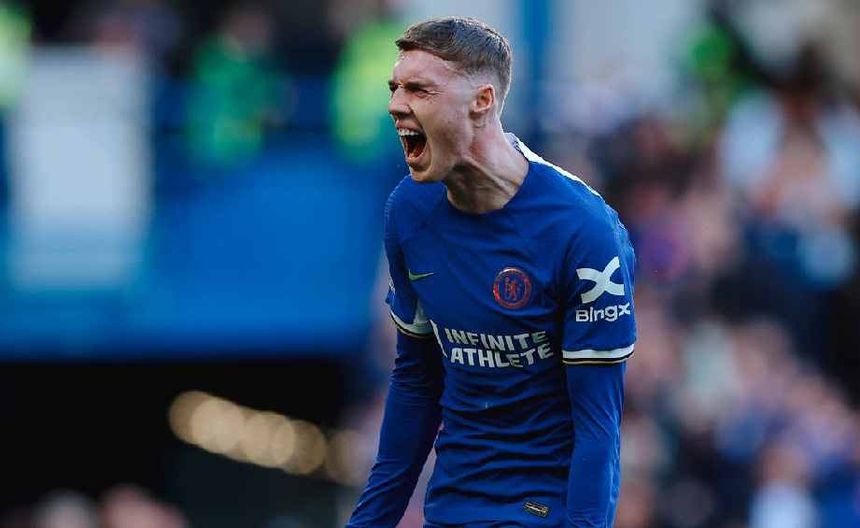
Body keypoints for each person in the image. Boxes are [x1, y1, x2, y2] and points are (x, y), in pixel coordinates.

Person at [347, 16, 636, 527]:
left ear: (481, 101)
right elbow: (416, 383)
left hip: (545, 510)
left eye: (419, 89)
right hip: (453, 507)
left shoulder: (583, 231)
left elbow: (598, 427)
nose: (395, 104)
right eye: (395, 88)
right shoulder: (409, 213)